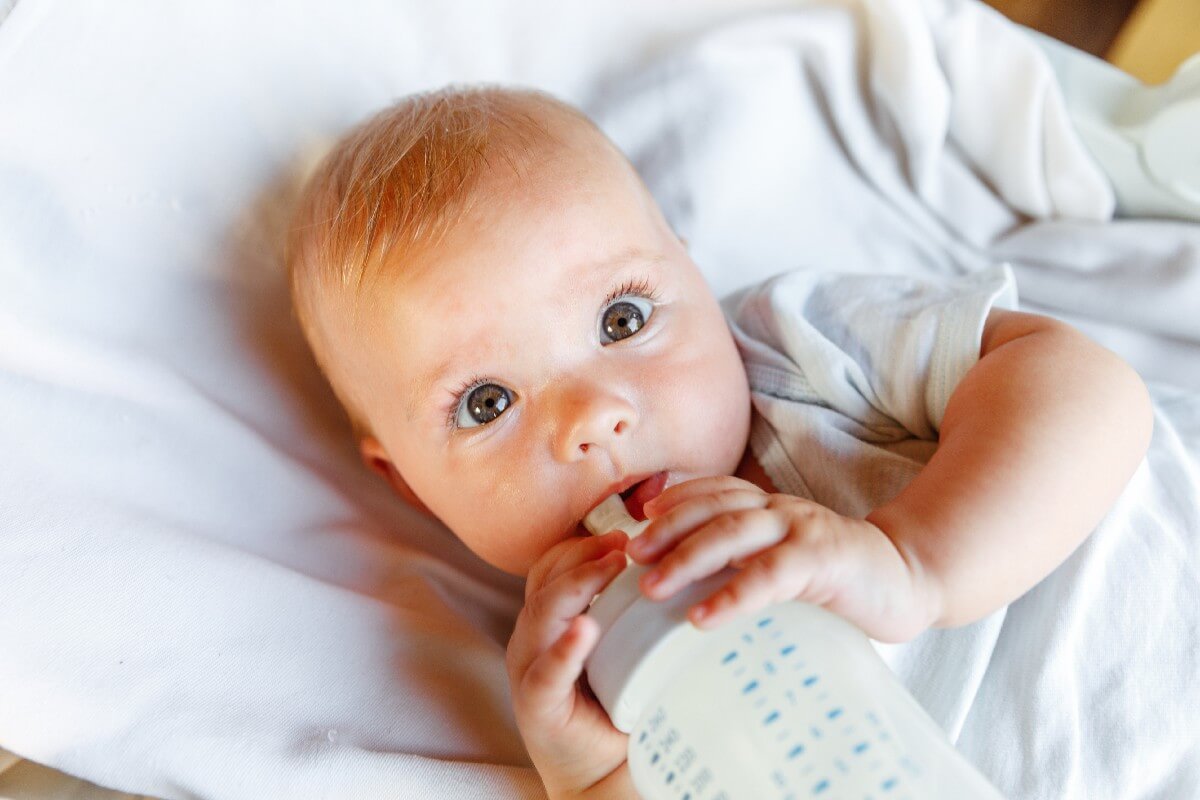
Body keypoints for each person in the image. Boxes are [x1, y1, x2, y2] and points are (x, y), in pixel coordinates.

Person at [285, 85, 1153, 799]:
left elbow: (1088, 386)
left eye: (622, 319)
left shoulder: (799, 348)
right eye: (485, 402)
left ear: (693, 273)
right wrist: (597, 780)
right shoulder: (573, 663)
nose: (592, 418)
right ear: (408, 485)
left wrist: (912, 560)